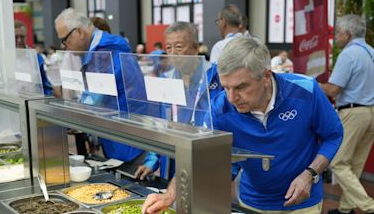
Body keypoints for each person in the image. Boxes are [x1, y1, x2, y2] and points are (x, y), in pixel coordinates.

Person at [142, 37, 343, 213]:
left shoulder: (306, 90)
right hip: (251, 201)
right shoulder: (220, 109)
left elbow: (333, 135)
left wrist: (310, 173)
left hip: (302, 203)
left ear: (266, 76)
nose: (231, 97)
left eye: (241, 87)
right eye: (225, 87)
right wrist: (171, 194)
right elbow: (197, 155)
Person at [54, 8, 146, 163]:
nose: (65, 46)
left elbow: (95, 95)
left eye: (65, 40)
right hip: (115, 128)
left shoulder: (106, 50)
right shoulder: (96, 50)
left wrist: (72, 117)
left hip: (128, 133)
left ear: (80, 33)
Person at [135, 22, 223, 181]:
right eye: (168, 48)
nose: (173, 53)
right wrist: (152, 161)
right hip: (174, 158)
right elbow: (160, 125)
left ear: (195, 48)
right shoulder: (166, 80)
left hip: (206, 157)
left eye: (179, 47)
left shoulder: (216, 77)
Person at [320, 14, 374, 214]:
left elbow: (333, 90)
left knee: (338, 162)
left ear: (347, 34)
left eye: (338, 33)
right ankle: (345, 208)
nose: (336, 37)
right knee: (355, 163)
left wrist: (311, 83)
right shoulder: (371, 51)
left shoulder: (349, 54)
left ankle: (369, 206)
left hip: (353, 113)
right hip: (371, 113)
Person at [14, 21, 54, 96]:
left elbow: (45, 85)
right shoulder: (7, 58)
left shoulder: (36, 57)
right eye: (16, 37)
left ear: (26, 37)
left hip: (33, 101)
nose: (19, 40)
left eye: (22, 37)